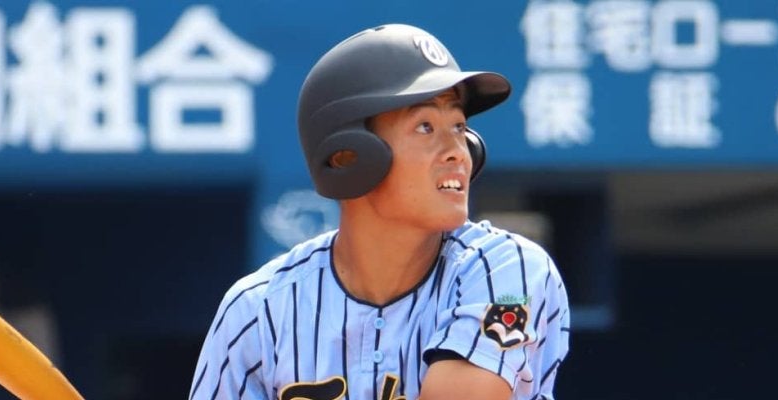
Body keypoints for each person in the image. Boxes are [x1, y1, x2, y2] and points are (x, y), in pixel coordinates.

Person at [188, 23, 570, 400]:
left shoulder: (505, 269)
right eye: (425, 127)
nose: (457, 151)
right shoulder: (259, 310)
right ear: (346, 157)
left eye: (458, 126)